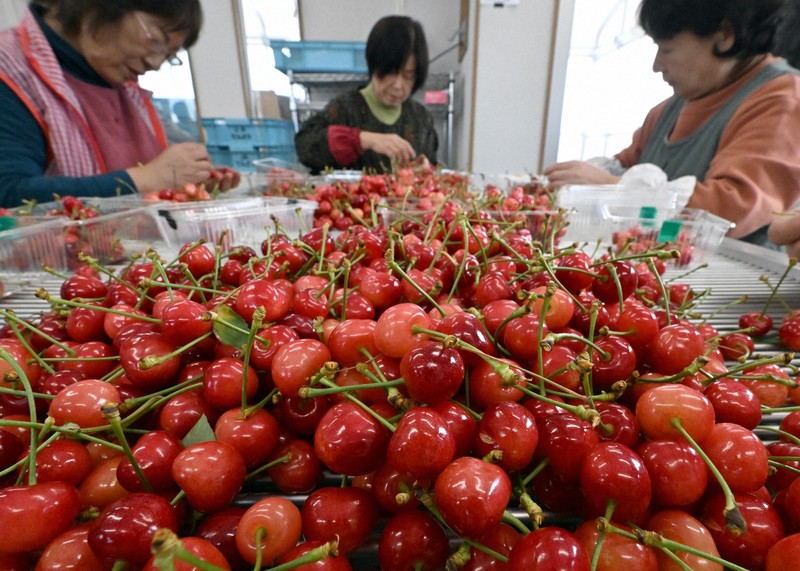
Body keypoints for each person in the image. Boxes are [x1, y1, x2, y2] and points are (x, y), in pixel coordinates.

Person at [544, 0, 800, 247]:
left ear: (725, 35)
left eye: (667, 49)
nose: (657, 66)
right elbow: (624, 167)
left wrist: (612, 189)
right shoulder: (671, 109)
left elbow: (730, 210)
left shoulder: (783, 101)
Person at [0, 0, 218, 208]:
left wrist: (187, 180)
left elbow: (158, 176)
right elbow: (10, 193)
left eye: (169, 55)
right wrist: (145, 179)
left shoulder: (124, 87)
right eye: (157, 39)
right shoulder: (10, 69)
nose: (154, 63)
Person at [294, 15, 439, 174]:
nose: (398, 86)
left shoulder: (420, 119)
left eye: (408, 75)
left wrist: (425, 169)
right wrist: (362, 140)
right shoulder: (346, 108)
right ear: (374, 64)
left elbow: (431, 166)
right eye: (390, 72)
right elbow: (305, 146)